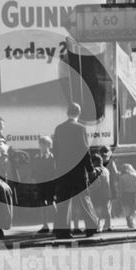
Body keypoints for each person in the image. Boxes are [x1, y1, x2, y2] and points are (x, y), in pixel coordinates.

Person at [52, 102, 98, 239]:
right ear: (79, 113)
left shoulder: (59, 128)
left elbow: (56, 150)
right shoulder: (80, 128)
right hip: (78, 171)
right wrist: (90, 169)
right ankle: (91, 228)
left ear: (67, 113)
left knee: (63, 201)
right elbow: (84, 151)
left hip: (63, 170)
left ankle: (62, 231)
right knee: (84, 198)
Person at [32, 135, 57, 234]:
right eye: (41, 144)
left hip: (50, 184)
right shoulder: (36, 157)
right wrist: (34, 180)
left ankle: (57, 225)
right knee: (42, 204)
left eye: (45, 145)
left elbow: (55, 172)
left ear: (49, 146)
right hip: (40, 184)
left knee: (52, 203)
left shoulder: (53, 158)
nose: (42, 147)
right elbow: (33, 171)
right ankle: (45, 225)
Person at [87, 152, 113, 233]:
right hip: (107, 194)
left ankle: (98, 226)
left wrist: (88, 190)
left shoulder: (96, 170)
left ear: (94, 162)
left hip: (98, 194)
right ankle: (108, 225)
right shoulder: (106, 170)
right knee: (107, 210)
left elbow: (97, 183)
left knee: (96, 211)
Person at [118, 163, 136, 229]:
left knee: (127, 209)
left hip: (125, 194)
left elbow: (120, 188)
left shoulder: (121, 177)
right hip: (135, 194)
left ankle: (128, 218)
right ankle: (131, 217)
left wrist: (120, 196)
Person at [99, 145, 119, 229]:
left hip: (99, 187)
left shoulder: (97, 161)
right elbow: (115, 174)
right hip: (109, 186)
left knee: (98, 207)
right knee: (107, 207)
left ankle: (98, 224)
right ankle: (108, 225)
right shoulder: (110, 162)